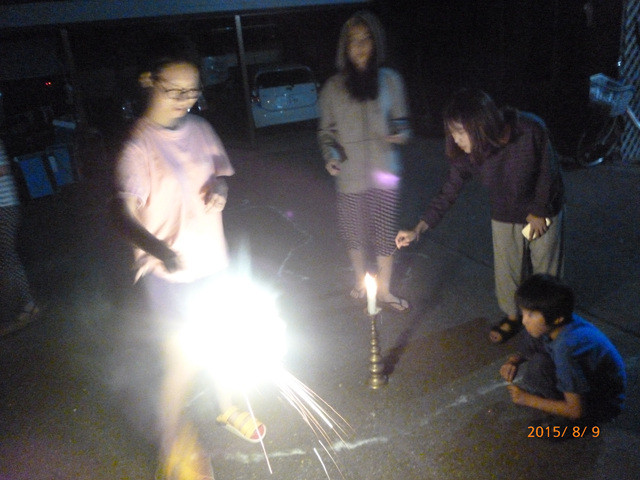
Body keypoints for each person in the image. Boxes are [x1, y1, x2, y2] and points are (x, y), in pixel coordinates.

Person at [114, 37, 264, 479]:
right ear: (149, 82)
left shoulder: (200, 129)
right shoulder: (138, 147)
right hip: (169, 277)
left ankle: (226, 407)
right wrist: (160, 250)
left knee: (223, 343)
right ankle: (173, 444)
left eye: (193, 91)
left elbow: (220, 175)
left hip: (213, 263)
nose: (185, 100)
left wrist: (220, 188)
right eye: (174, 91)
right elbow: (122, 215)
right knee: (180, 362)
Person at [396, 88, 564, 341]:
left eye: (460, 132)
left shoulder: (529, 129)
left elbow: (548, 172)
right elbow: (449, 191)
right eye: (452, 132)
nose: (456, 139)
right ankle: (514, 316)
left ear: (480, 124)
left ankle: (549, 322)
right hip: (505, 211)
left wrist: (540, 210)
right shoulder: (469, 155)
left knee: (546, 270)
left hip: (543, 208)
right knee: (507, 271)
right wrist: (418, 228)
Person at [318, 10, 411, 313]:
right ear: (344, 47)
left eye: (366, 39)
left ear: (376, 43)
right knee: (354, 232)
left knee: (385, 233)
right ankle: (361, 281)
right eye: (353, 41)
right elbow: (326, 133)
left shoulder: (390, 80)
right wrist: (331, 156)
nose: (359, 47)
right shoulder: (333, 87)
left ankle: (384, 290)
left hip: (385, 172)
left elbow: (403, 123)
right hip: (350, 174)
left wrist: (400, 134)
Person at [499, 274, 625, 424]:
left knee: (539, 367)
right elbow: (532, 342)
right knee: (535, 343)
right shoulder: (558, 322)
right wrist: (513, 361)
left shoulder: (566, 348)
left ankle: (555, 418)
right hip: (592, 381)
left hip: (601, 405)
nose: (524, 320)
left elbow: (576, 411)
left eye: (531, 315)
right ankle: (546, 404)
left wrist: (527, 399)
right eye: (524, 313)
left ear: (557, 318)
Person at [0, 139, 39, 336]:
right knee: (6, 258)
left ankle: (27, 306)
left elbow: (3, 169)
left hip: (5, 208)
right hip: (5, 207)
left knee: (7, 257)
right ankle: (24, 305)